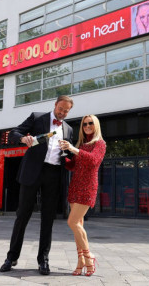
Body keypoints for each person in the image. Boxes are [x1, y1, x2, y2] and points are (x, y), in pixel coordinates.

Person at [0, 95, 74, 275]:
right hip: (33, 171)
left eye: (66, 111)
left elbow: (69, 156)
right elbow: (14, 132)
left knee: (48, 218)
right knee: (22, 215)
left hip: (54, 174)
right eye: (61, 109)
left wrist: (68, 149)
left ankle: (43, 260)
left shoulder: (69, 129)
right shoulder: (37, 117)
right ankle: (11, 257)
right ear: (55, 104)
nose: (63, 113)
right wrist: (23, 139)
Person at [59, 115, 106, 277]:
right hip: (75, 186)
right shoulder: (82, 144)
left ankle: (89, 257)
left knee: (72, 222)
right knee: (77, 226)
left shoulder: (100, 143)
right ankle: (80, 262)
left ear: (96, 125)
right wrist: (64, 155)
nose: (87, 126)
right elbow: (73, 165)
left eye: (90, 123)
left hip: (87, 188)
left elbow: (93, 161)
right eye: (84, 124)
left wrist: (73, 149)